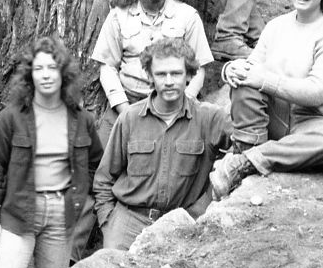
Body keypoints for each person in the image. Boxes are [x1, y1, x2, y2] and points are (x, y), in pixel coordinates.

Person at [208, 0, 323, 193]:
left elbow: (316, 92)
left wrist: (262, 79)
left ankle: (246, 162)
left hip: (318, 121)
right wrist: (232, 70)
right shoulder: (277, 26)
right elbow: (252, 67)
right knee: (244, 86)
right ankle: (247, 153)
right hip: (278, 116)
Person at [0, 40, 101, 268]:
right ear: (30, 75)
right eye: (39, 68)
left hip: (62, 214)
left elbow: (96, 162)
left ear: (63, 74)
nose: (46, 75)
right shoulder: (11, 118)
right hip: (18, 213)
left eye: (52, 68)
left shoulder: (81, 120)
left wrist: (81, 198)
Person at [94, 41, 226, 250]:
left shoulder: (209, 118)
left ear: (189, 75)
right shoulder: (130, 118)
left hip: (181, 222)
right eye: (161, 74)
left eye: (176, 73)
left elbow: (246, 146)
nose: (169, 81)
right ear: (149, 76)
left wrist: (207, 202)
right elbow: (104, 178)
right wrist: (108, 222)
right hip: (129, 220)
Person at [89, 0, 212, 113]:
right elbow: (107, 67)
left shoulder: (187, 16)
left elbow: (199, 69)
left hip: (175, 104)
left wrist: (183, 105)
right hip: (128, 104)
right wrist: (125, 110)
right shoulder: (118, 16)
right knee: (107, 141)